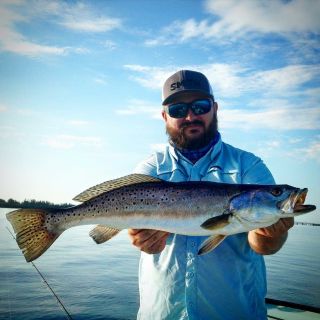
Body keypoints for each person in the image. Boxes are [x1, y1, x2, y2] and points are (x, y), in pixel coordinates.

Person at [128, 70, 294, 320]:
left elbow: (264, 246)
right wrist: (141, 239)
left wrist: (270, 234)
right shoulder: (149, 170)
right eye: (177, 110)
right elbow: (136, 235)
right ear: (164, 116)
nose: (190, 116)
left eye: (200, 106)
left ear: (214, 109)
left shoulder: (249, 167)